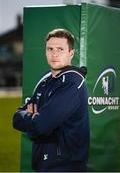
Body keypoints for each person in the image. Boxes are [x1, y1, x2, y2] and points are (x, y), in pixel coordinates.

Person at [13, 28, 90, 172]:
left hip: (66, 166)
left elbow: (41, 125)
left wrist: (33, 123)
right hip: (42, 163)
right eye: (50, 49)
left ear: (71, 53)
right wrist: (33, 120)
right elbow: (16, 118)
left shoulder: (73, 82)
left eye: (60, 49)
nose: (54, 54)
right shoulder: (45, 81)